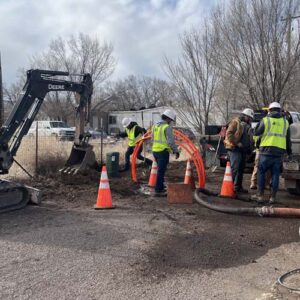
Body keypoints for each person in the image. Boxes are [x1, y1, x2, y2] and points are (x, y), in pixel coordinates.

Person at [251, 102, 292, 203]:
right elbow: (288, 140)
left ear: (269, 110)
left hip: (265, 151)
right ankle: (272, 197)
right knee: (275, 174)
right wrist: (289, 153)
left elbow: (256, 133)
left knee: (261, 172)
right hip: (279, 153)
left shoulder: (265, 120)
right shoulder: (285, 122)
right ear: (279, 110)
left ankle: (259, 196)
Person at [224, 108, 254, 194]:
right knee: (235, 168)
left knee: (241, 169)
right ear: (245, 116)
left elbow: (249, 139)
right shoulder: (235, 122)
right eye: (250, 118)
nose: (251, 120)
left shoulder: (247, 126)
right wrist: (237, 143)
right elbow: (229, 134)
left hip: (242, 150)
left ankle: (238, 187)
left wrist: (249, 149)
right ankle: (229, 188)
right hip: (235, 149)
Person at [152, 109, 180, 197]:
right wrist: (176, 151)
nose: (171, 122)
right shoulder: (166, 127)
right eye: (171, 120)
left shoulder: (155, 126)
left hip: (155, 151)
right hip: (162, 152)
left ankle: (160, 186)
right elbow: (171, 142)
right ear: (168, 118)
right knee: (161, 171)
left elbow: (152, 139)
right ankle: (158, 190)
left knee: (160, 170)